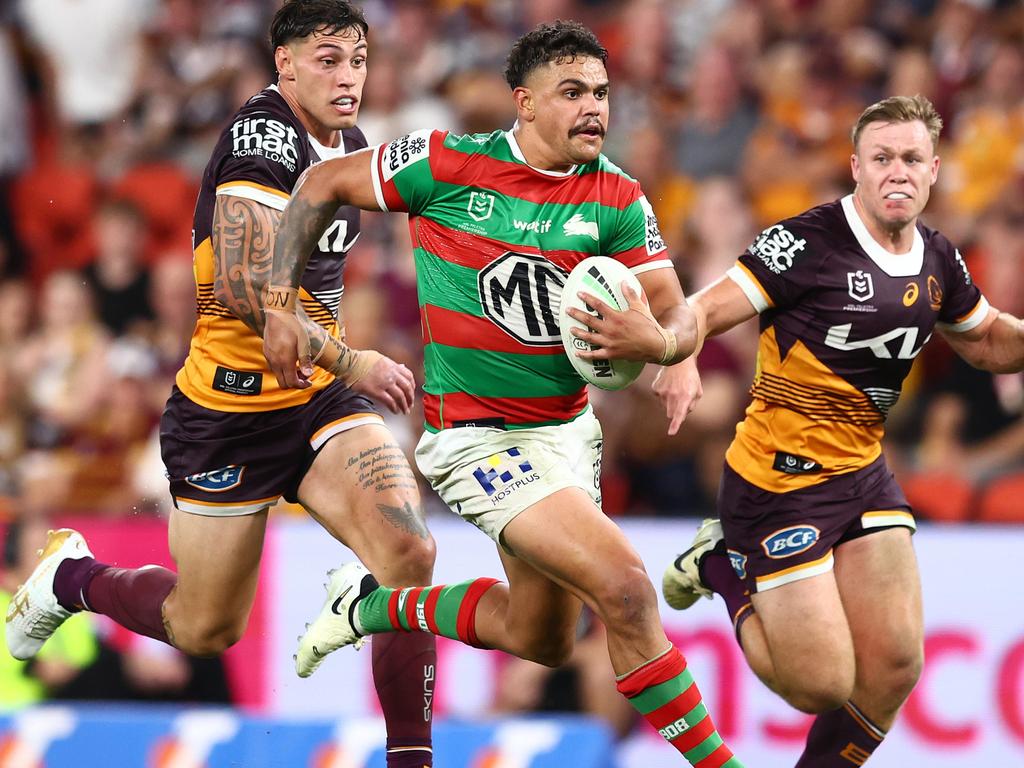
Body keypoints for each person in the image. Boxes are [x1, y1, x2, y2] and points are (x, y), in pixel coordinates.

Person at [265, 20, 744, 768]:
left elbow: (668, 301)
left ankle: (364, 605)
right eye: (574, 93)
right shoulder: (443, 163)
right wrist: (276, 302)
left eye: (603, 94)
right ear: (525, 103)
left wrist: (674, 352)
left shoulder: (617, 196)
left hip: (566, 437)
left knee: (541, 637)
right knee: (624, 591)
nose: (595, 109)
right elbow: (324, 182)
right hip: (476, 439)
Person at [5, 3, 438, 766]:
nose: (349, 76)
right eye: (329, 58)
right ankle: (70, 579)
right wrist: (354, 360)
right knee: (204, 627)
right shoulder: (262, 137)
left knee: (410, 555)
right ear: (285, 65)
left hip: (315, 400)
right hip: (228, 411)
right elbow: (242, 289)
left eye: (360, 59)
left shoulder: (354, 144)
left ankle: (413, 758)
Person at [661, 94, 1024, 766]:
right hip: (777, 483)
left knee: (894, 667)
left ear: (935, 169)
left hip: (861, 473)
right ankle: (718, 563)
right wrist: (675, 354)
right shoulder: (807, 241)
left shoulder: (938, 259)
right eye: (882, 158)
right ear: (856, 166)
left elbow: (991, 343)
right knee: (821, 685)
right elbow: (703, 309)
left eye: (911, 158)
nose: (897, 172)